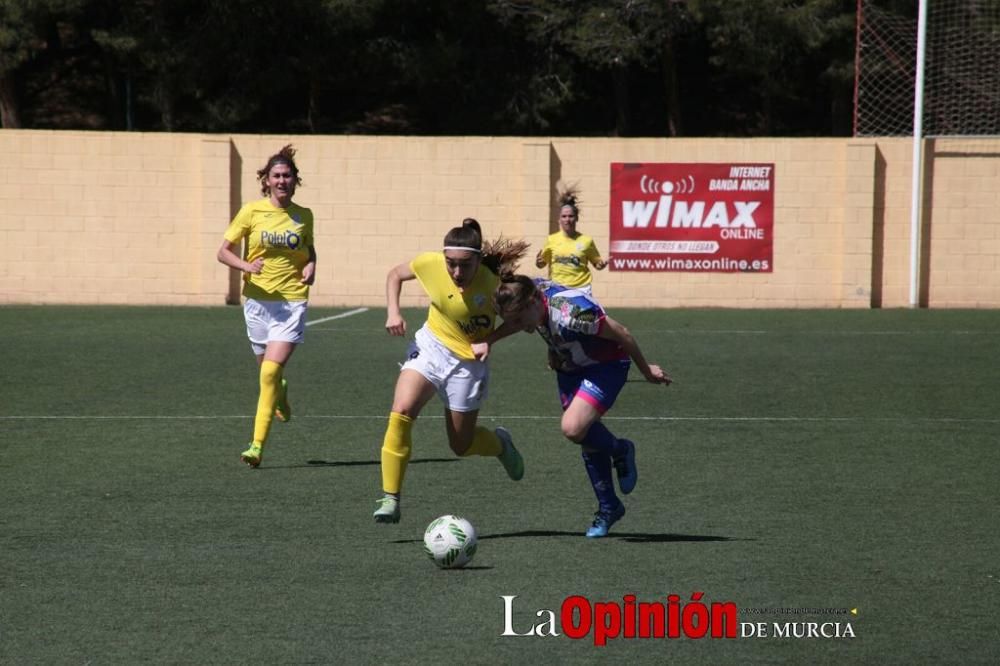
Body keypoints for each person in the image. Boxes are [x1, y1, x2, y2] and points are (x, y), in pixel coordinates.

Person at [374, 219, 529, 524]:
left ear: (478, 260)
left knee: (461, 445)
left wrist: (490, 339)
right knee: (402, 410)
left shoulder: (495, 284)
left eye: (465, 265)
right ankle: (390, 498)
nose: (457, 273)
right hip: (432, 347)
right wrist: (393, 311)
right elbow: (395, 275)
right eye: (451, 264)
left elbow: (521, 320)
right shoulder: (430, 264)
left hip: (469, 363)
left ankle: (500, 445)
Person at [492, 275, 672, 538]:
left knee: (573, 427)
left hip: (606, 366)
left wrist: (646, 371)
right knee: (587, 436)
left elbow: (622, 333)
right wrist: (489, 339)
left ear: (533, 302)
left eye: (520, 320)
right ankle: (609, 506)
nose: (518, 326)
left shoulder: (574, 314)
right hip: (570, 366)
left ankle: (621, 449)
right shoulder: (526, 294)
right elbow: (517, 318)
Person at [216, 145, 316, 468]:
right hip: (257, 302)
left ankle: (256, 446)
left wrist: (312, 266)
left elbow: (309, 251)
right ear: (267, 180)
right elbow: (223, 252)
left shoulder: (304, 216)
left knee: (270, 371)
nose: (282, 180)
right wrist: (246, 267)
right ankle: (281, 395)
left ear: (294, 180)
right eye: (277, 175)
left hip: (291, 302)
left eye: (288, 175)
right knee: (268, 375)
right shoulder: (251, 212)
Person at [535, 185, 607, 293]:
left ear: (576, 218)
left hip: (581, 290)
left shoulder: (586, 241)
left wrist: (601, 265)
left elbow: (597, 264)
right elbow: (542, 264)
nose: (567, 220)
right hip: (558, 289)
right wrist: (538, 262)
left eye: (571, 216)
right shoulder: (551, 239)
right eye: (564, 216)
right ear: (559, 219)